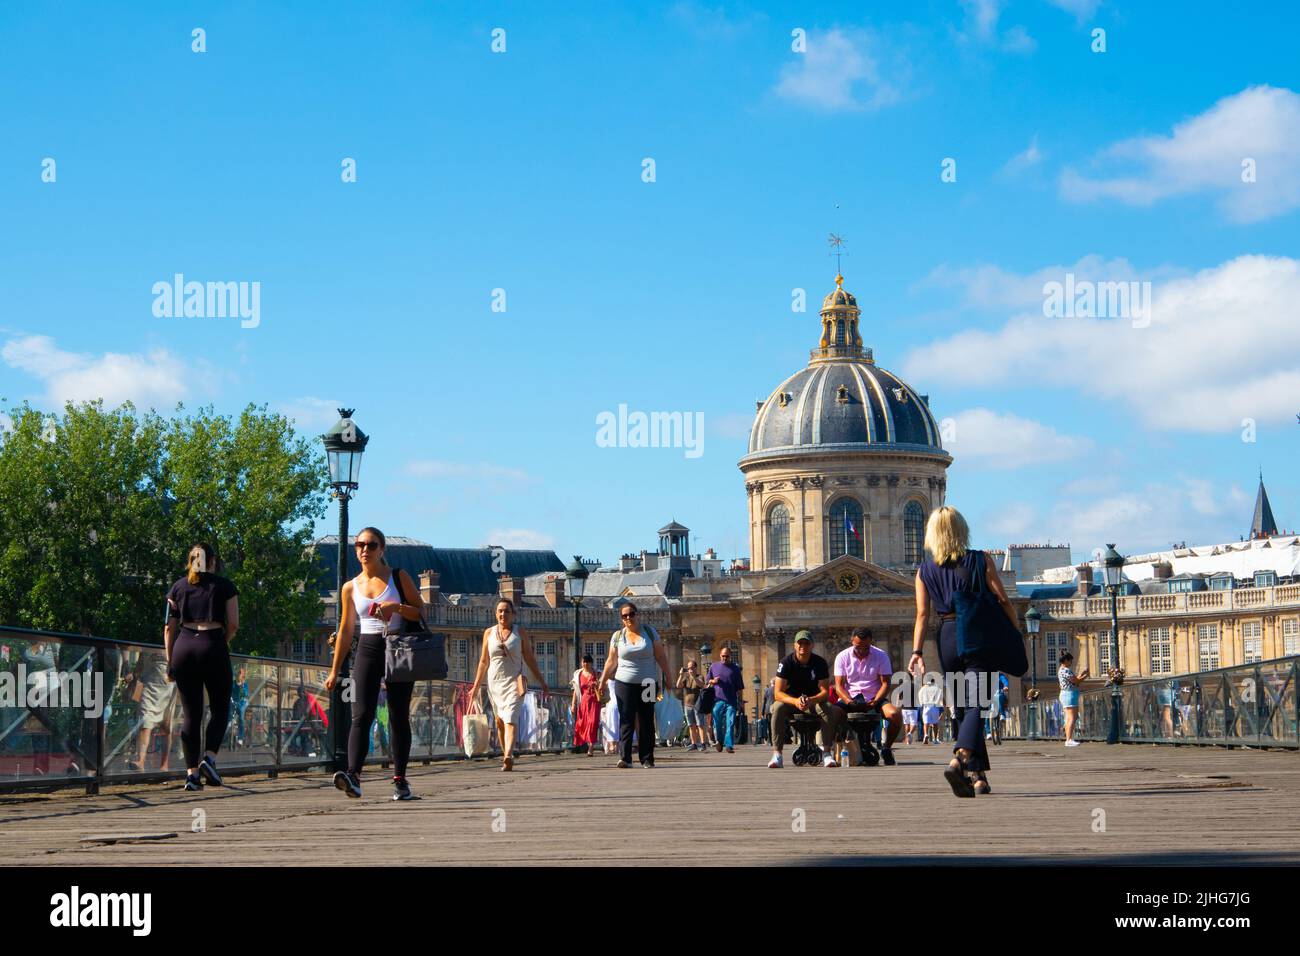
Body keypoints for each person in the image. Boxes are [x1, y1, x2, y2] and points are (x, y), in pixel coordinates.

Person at [909, 506, 1019, 798]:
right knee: (977, 704)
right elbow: (1003, 599)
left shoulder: (924, 570)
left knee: (962, 705)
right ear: (961, 530)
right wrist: (1014, 630)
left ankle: (978, 777)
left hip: (945, 636)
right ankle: (959, 758)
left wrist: (917, 651)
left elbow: (921, 615)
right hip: (975, 632)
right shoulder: (979, 559)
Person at [325, 527, 422, 800]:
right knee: (361, 714)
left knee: (398, 715)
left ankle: (400, 780)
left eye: (371, 545)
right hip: (367, 648)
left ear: (382, 549)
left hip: (398, 647)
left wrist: (396, 609)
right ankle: (353, 775)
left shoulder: (398, 577)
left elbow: (419, 609)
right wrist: (335, 670)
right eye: (359, 545)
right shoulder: (349, 587)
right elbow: (345, 630)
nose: (364, 550)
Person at [164, 543, 239, 792]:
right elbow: (234, 624)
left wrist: (170, 659)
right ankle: (209, 758)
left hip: (184, 647)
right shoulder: (224, 586)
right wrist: (219, 643)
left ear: (190, 560)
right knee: (219, 707)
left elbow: (168, 627)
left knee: (191, 714)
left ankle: (192, 775)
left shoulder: (178, 587)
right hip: (213, 643)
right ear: (213, 561)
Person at [467, 597, 549, 771]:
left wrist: (542, 682)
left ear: (513, 614)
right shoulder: (489, 633)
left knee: (510, 718)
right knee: (499, 722)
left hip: (514, 682)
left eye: (507, 611)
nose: (503, 614)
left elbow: (529, 658)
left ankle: (508, 756)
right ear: (495, 614)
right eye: (500, 611)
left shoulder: (520, 633)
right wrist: (475, 687)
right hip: (494, 683)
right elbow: (483, 661)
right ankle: (507, 755)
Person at [596, 601, 671, 768]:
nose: (628, 618)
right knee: (626, 719)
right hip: (624, 683)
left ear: (637, 614)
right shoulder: (617, 637)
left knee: (646, 720)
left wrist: (669, 677)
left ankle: (647, 758)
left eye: (631, 614)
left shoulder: (650, 633)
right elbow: (611, 661)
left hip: (648, 682)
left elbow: (661, 656)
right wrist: (602, 681)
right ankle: (626, 758)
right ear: (621, 619)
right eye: (624, 616)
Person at [768, 630, 840, 768]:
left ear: (812, 645)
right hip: (791, 702)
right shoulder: (786, 663)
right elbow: (777, 693)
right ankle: (777, 754)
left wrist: (811, 700)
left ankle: (826, 753)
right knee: (777, 707)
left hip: (813, 701)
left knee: (827, 707)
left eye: (806, 643)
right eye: (800, 643)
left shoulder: (820, 663)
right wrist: (795, 701)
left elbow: (825, 692)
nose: (803, 646)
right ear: (794, 645)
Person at [832, 627, 902, 765]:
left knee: (895, 715)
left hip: (874, 698)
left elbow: (885, 684)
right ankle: (836, 747)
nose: (862, 651)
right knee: (831, 713)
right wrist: (848, 701)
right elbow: (839, 686)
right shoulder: (842, 656)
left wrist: (876, 701)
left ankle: (886, 747)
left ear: (871, 642)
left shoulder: (881, 655)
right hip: (850, 698)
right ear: (851, 641)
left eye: (866, 647)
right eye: (858, 647)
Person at [706, 645, 744, 753]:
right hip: (717, 700)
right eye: (723, 656)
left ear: (730, 656)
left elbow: (740, 687)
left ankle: (729, 745)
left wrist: (740, 701)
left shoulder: (735, 669)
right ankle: (719, 741)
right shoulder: (714, 666)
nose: (724, 658)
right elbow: (707, 680)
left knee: (730, 722)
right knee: (717, 723)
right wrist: (713, 681)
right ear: (720, 655)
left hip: (731, 701)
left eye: (727, 656)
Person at [571, 654, 601, 755]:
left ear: (591, 663)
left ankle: (591, 747)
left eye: (587, 662)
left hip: (594, 702)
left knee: (593, 723)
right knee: (583, 724)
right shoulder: (577, 674)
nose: (585, 664)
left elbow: (603, 687)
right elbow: (575, 690)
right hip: (583, 702)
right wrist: (573, 704)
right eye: (583, 662)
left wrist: (598, 685)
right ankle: (587, 744)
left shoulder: (596, 673)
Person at [676, 659, 707, 751]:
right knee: (691, 725)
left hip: (697, 705)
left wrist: (694, 677)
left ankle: (703, 744)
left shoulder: (699, 676)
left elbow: (702, 685)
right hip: (687, 705)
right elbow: (678, 686)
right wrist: (681, 675)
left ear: (695, 668)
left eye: (692, 668)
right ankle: (693, 744)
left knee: (700, 725)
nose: (690, 670)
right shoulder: (685, 678)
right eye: (689, 668)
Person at [1059, 652, 1087, 747]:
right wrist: (1085, 676)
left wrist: (1081, 674)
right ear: (1065, 660)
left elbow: (1074, 680)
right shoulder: (1066, 670)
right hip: (1069, 694)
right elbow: (1076, 681)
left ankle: (1068, 739)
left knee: (1068, 718)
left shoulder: (1062, 670)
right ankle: (1069, 739)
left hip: (1066, 694)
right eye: (1070, 660)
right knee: (1072, 718)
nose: (1071, 662)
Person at [918, 678, 944, 744]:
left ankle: (926, 734)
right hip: (935, 707)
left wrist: (922, 703)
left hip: (926, 707)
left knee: (926, 723)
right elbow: (941, 698)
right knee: (935, 724)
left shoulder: (923, 688)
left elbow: (919, 696)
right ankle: (935, 739)